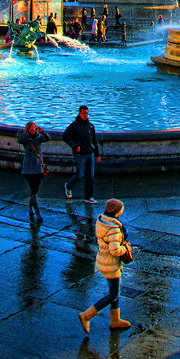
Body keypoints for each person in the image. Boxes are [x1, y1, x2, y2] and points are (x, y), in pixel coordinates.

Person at [78, 198, 131, 333]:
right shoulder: (114, 228)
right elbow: (114, 250)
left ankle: (115, 320)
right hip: (111, 264)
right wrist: (125, 249)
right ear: (117, 212)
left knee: (115, 292)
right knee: (113, 294)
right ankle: (86, 316)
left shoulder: (102, 221)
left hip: (103, 260)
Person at [62, 105, 100, 203]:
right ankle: (68, 186)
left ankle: (88, 197)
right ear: (79, 113)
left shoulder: (90, 126)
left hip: (90, 153)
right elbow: (65, 136)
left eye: (86, 113)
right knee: (80, 174)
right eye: (83, 113)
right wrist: (74, 146)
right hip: (80, 155)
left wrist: (97, 154)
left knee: (90, 176)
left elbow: (94, 141)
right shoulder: (74, 125)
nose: (85, 115)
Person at [17, 121, 51, 224]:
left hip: (38, 167)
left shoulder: (39, 138)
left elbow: (48, 138)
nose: (33, 130)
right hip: (28, 168)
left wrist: (43, 131)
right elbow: (19, 140)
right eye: (31, 128)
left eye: (34, 128)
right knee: (34, 189)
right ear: (27, 129)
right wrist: (28, 133)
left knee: (34, 190)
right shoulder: (25, 139)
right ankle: (37, 212)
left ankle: (30, 208)